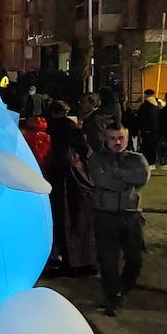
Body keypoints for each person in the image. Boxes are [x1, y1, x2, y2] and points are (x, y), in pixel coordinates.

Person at [89, 123, 150, 316]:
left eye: (121, 138)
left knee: (135, 258)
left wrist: (114, 174)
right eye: (112, 138)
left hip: (131, 214)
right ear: (105, 140)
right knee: (107, 260)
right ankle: (112, 297)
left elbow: (142, 177)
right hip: (104, 214)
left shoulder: (137, 159)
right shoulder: (97, 158)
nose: (117, 142)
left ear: (127, 138)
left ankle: (123, 287)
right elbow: (100, 180)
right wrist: (126, 179)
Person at [44, 101, 96, 275]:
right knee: (79, 217)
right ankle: (81, 261)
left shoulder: (49, 127)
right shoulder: (69, 127)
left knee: (62, 217)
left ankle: (67, 258)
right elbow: (84, 148)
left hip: (58, 173)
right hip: (74, 175)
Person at [81, 87, 118, 152]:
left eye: (84, 102)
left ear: (92, 103)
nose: (81, 105)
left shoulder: (93, 119)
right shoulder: (103, 116)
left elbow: (99, 139)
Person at [134, 89, 161, 157]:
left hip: (146, 130)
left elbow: (140, 118)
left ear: (146, 95)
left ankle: (148, 162)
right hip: (156, 130)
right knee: (153, 147)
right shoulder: (158, 106)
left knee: (146, 147)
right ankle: (152, 161)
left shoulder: (144, 106)